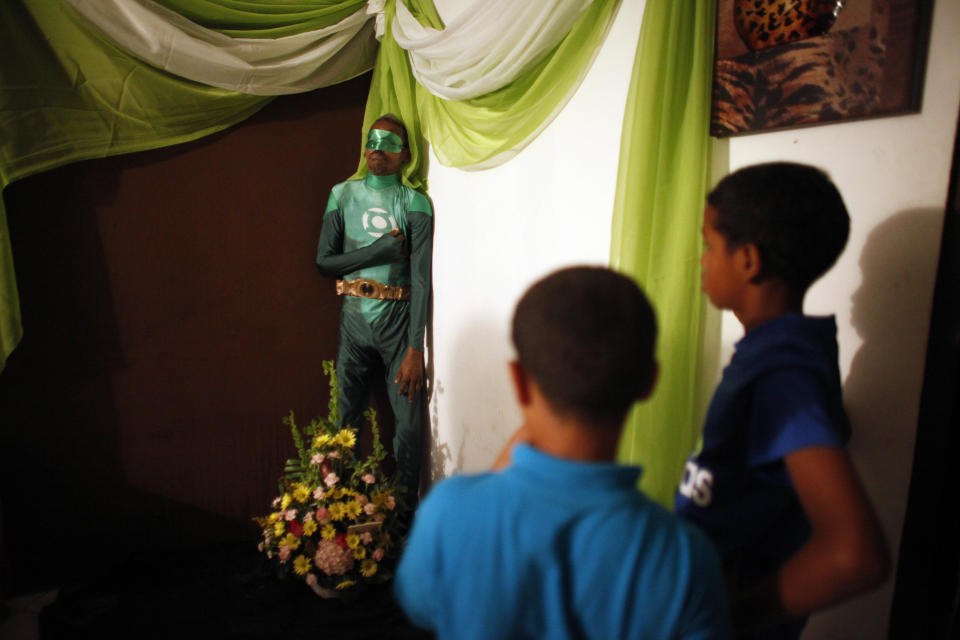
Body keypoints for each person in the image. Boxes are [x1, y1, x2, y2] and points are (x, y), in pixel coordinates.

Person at [394, 266, 731, 640]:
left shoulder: (448, 512)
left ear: (519, 381)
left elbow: (421, 605)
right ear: (649, 382)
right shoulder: (684, 558)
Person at [674, 162, 890, 639]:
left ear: (748, 260)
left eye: (709, 246)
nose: (703, 260)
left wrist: (730, 617)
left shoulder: (783, 373)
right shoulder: (788, 354)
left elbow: (856, 554)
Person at [315, 114, 432, 510]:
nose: (378, 149)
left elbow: (421, 277)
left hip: (398, 323)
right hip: (353, 318)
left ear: (405, 156)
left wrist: (415, 348)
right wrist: (378, 251)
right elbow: (324, 263)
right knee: (343, 421)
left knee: (409, 426)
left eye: (389, 143)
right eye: (372, 140)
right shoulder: (342, 195)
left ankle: (402, 519)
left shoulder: (415, 203)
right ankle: (337, 515)